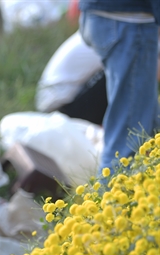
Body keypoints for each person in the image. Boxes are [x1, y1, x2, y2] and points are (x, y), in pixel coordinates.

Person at [78, 0, 160, 172]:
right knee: (126, 145)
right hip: (128, 22)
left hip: (109, 16)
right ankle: (108, 197)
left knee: (149, 131)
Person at [35, 31, 107, 126]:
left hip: (61, 105)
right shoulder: (110, 33)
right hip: (62, 109)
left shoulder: (97, 27)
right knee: (121, 71)